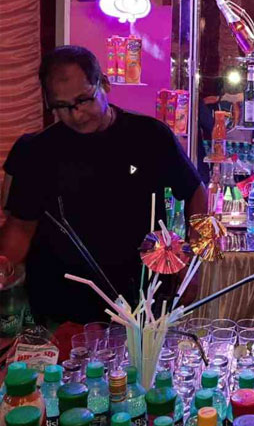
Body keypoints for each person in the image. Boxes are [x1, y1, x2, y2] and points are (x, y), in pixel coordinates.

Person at [0, 46, 207, 325]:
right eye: (61, 106)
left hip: (140, 294)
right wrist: (5, 267)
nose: (76, 114)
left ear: (104, 84)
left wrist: (193, 260)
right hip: (60, 302)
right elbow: (21, 227)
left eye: (83, 100)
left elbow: (194, 191)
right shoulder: (37, 151)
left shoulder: (149, 136)